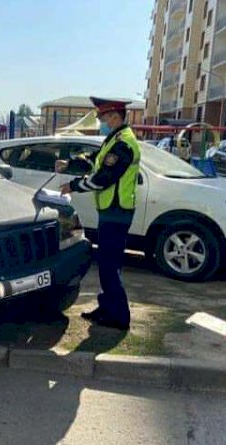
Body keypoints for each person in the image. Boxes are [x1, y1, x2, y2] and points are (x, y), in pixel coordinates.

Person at [56, 97, 140, 330]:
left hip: (117, 211)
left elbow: (103, 178)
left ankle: (119, 316)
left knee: (108, 264)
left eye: (103, 117)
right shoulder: (113, 139)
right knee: (106, 263)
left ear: (114, 116)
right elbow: (93, 161)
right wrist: (69, 163)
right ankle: (107, 306)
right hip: (110, 211)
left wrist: (73, 186)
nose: (101, 121)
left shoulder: (124, 143)